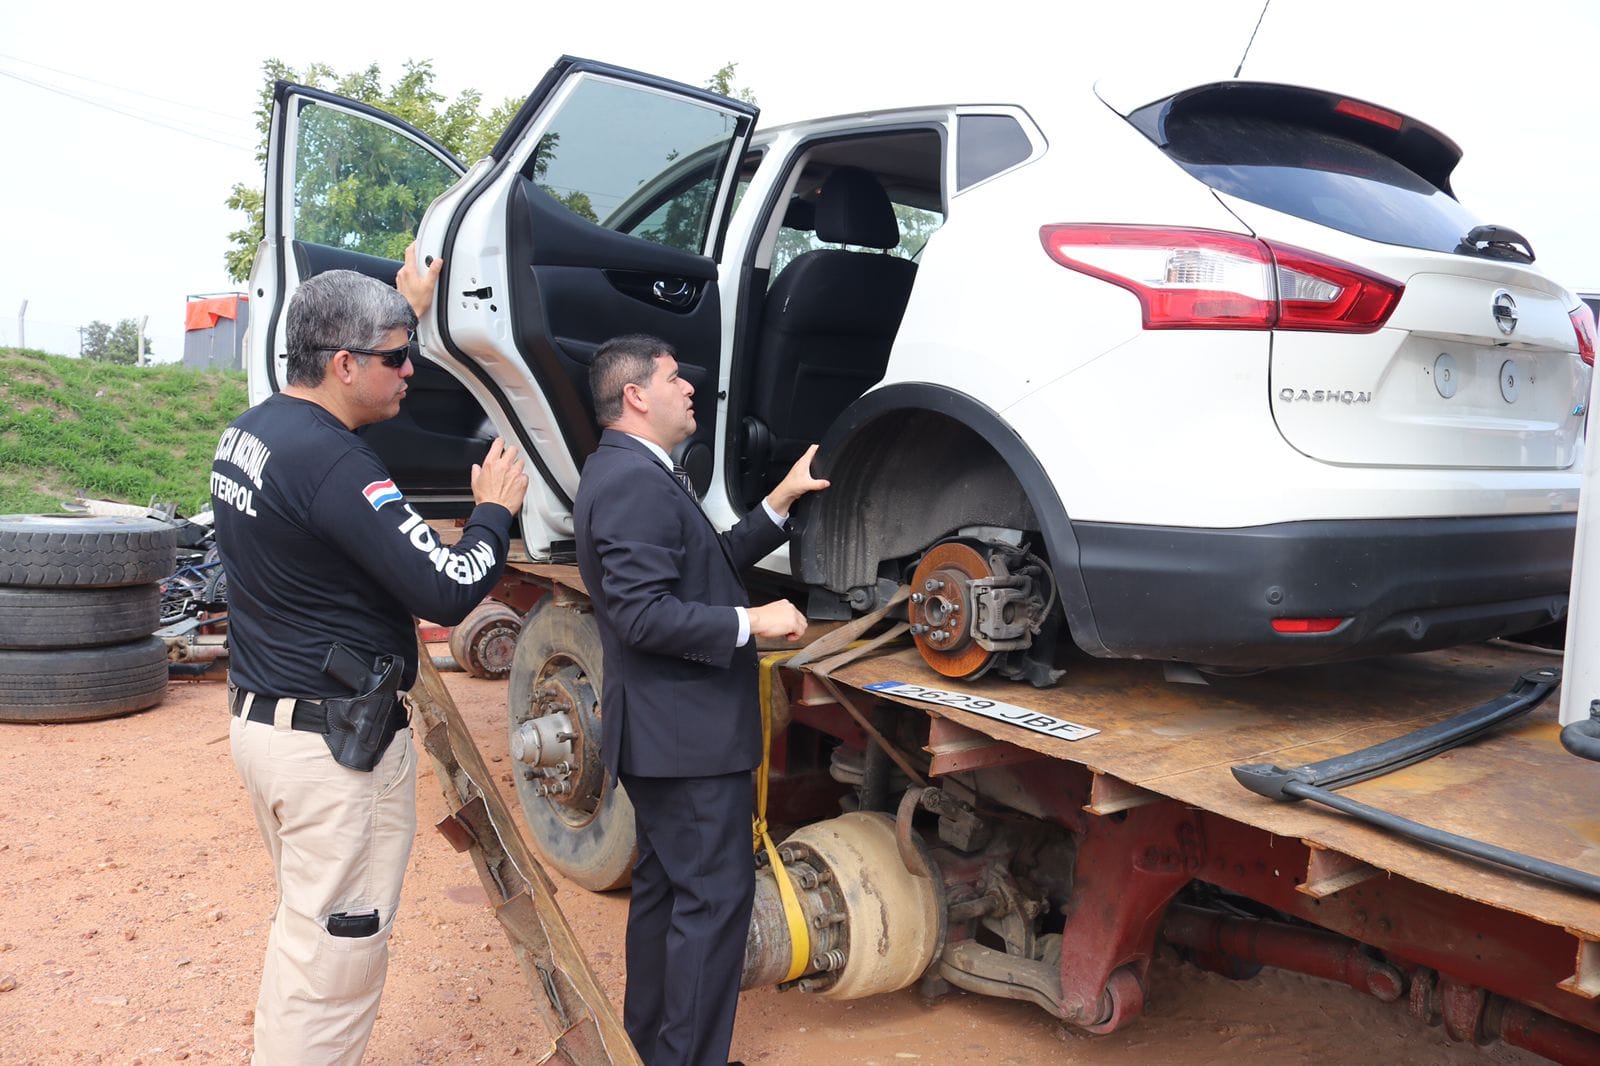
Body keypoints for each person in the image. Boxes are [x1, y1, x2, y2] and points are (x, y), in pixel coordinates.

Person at [214, 255, 527, 1066]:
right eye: (396, 357)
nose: (411, 372)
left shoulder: (254, 431)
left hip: (268, 727)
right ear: (343, 363)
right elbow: (449, 589)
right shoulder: (337, 465)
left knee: (306, 941)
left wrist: (406, 306)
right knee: (334, 969)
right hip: (334, 754)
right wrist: (492, 515)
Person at [573, 333, 828, 1066]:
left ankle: (655, 1050)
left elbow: (701, 566)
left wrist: (778, 501)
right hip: (684, 742)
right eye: (674, 377)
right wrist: (753, 620)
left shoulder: (640, 472)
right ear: (635, 396)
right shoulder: (629, 481)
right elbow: (640, 614)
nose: (690, 389)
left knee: (667, 899)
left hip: (670, 737)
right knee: (712, 907)